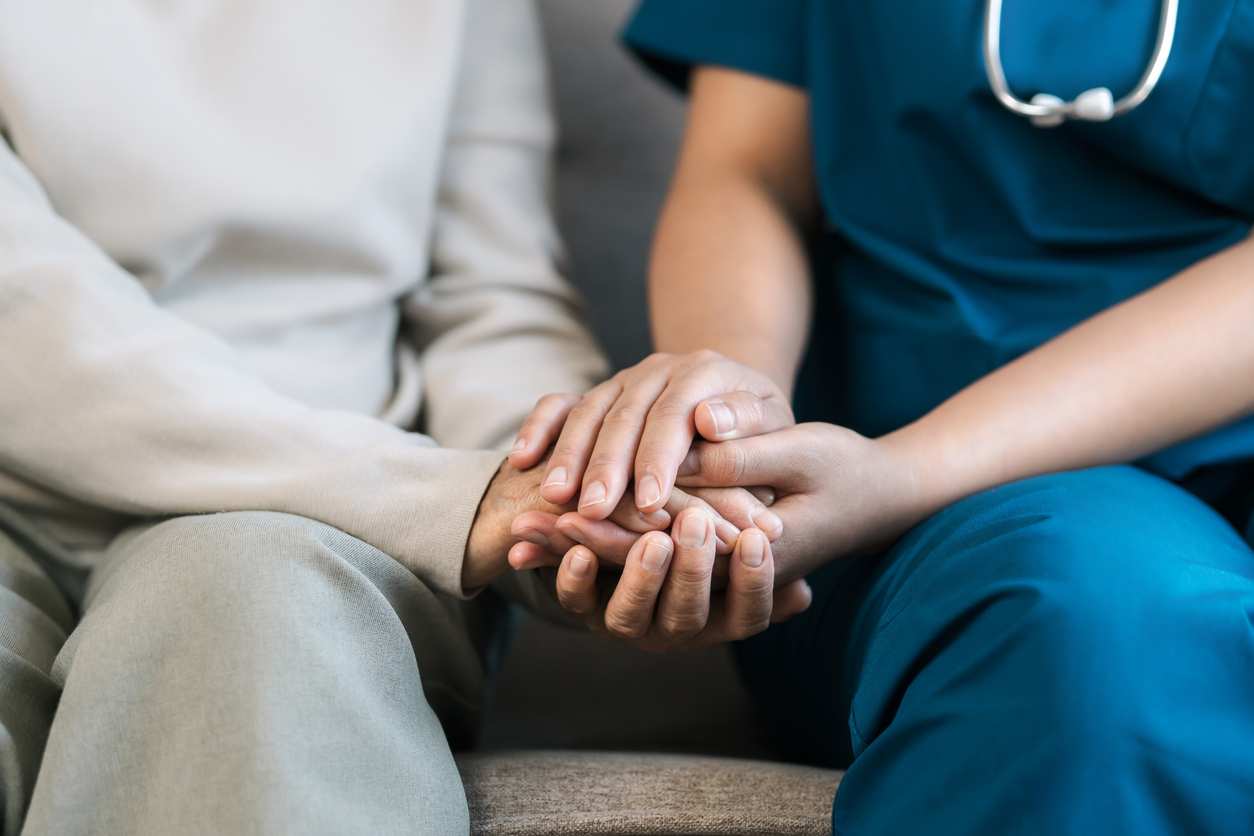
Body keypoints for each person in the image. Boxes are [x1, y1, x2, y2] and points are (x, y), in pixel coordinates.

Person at [0, 1, 790, 833]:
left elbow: (487, 304)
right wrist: (456, 499)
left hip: (322, 532)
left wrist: (585, 500)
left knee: (254, 608)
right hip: (58, 501)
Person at [506, 1, 1254, 833]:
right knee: (1098, 629)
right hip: (879, 525)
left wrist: (906, 472)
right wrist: (733, 425)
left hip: (901, 480)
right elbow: (745, 172)